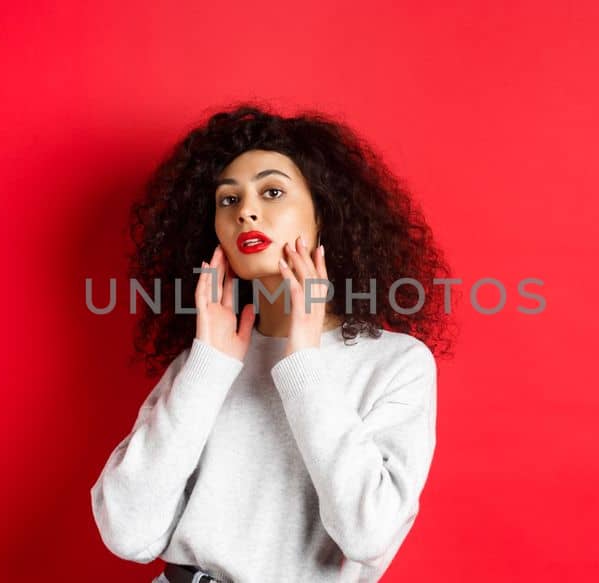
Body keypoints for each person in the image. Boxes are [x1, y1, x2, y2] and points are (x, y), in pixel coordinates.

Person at [90, 104, 453, 582]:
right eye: (227, 200)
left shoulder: (396, 363)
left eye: (273, 191)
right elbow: (127, 532)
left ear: (323, 214)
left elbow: (367, 535)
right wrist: (207, 367)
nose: (247, 211)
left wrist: (303, 360)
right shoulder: (203, 360)